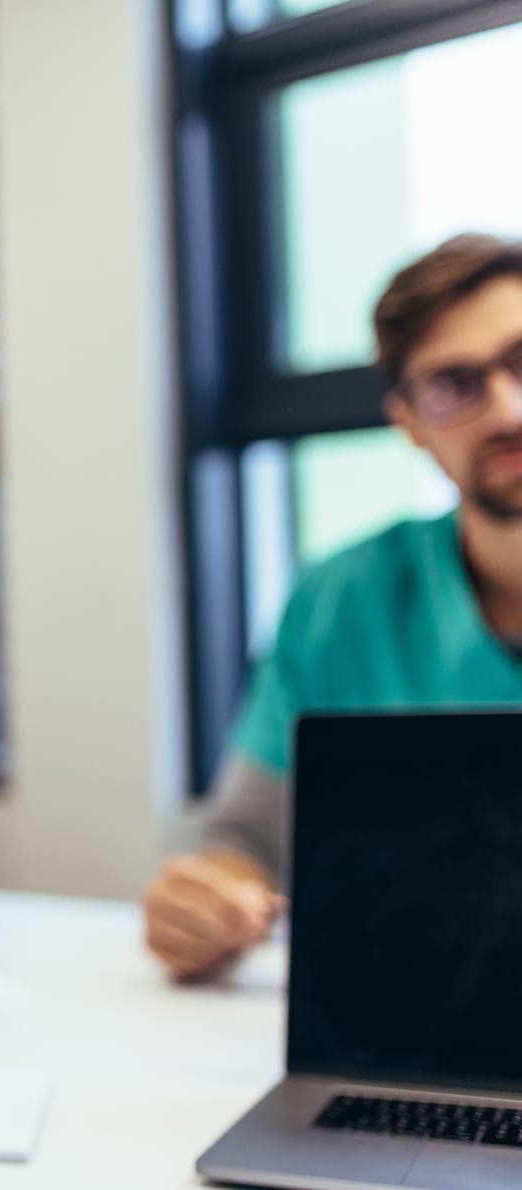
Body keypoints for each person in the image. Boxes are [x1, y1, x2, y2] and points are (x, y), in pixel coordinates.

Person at [145, 234, 522, 980]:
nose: (507, 409)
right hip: (428, 1028)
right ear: (409, 422)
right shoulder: (340, 601)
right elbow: (252, 836)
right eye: (455, 383)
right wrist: (212, 897)